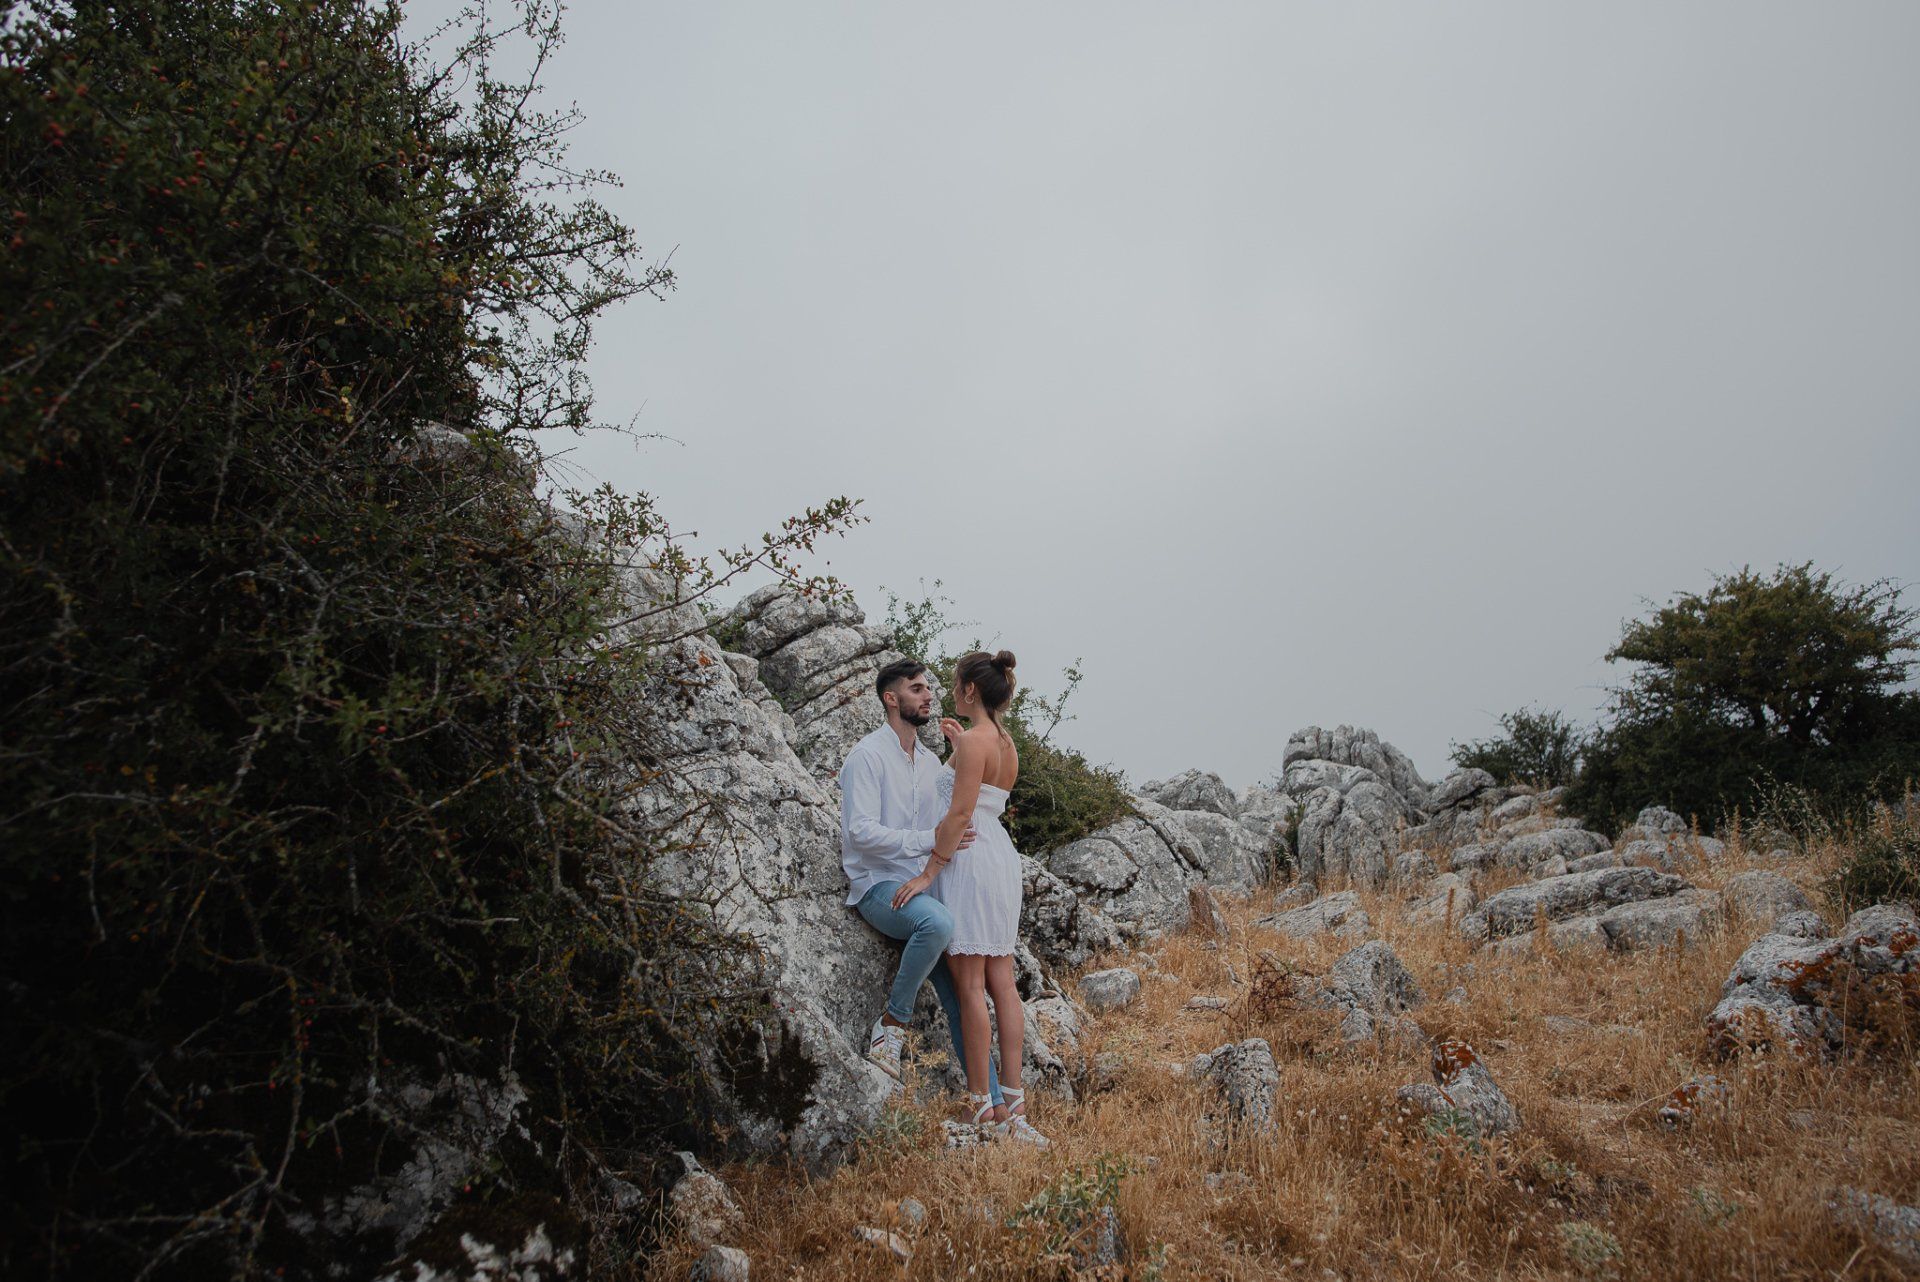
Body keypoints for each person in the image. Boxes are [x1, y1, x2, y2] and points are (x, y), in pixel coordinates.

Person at [887, 649, 1049, 1147]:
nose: (949, 691)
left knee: (971, 984)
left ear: (970, 689)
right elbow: (981, 795)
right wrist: (956, 749)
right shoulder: (1003, 741)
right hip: (1000, 856)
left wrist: (929, 872)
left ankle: (982, 1102)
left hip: (970, 860)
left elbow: (959, 814)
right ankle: (1013, 1103)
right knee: (1003, 980)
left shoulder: (976, 741)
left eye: (955, 683)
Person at [839, 658, 1004, 1121]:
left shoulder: (931, 762)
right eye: (916, 689)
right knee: (938, 924)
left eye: (929, 687)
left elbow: (951, 817)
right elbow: (859, 833)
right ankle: (892, 1023)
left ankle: (992, 1109)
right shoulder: (866, 756)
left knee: (964, 997)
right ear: (891, 699)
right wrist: (927, 840)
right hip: (878, 885)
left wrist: (959, 756)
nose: (929, 694)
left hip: (921, 888)